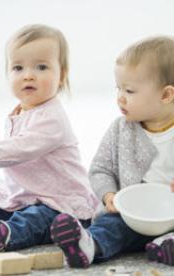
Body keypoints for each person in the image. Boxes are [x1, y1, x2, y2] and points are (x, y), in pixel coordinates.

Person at [0, 24, 98, 254]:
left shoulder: (53, 118)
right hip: (21, 196)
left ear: (61, 75)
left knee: (35, 220)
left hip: (58, 202)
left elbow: (16, 149)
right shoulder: (20, 111)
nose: (28, 75)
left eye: (41, 67)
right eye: (17, 67)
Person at [50, 35, 174, 268]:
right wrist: (109, 195)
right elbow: (100, 169)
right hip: (130, 216)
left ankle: (166, 244)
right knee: (111, 226)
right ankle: (89, 245)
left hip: (171, 215)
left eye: (129, 90)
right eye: (118, 88)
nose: (120, 97)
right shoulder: (120, 130)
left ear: (166, 95)